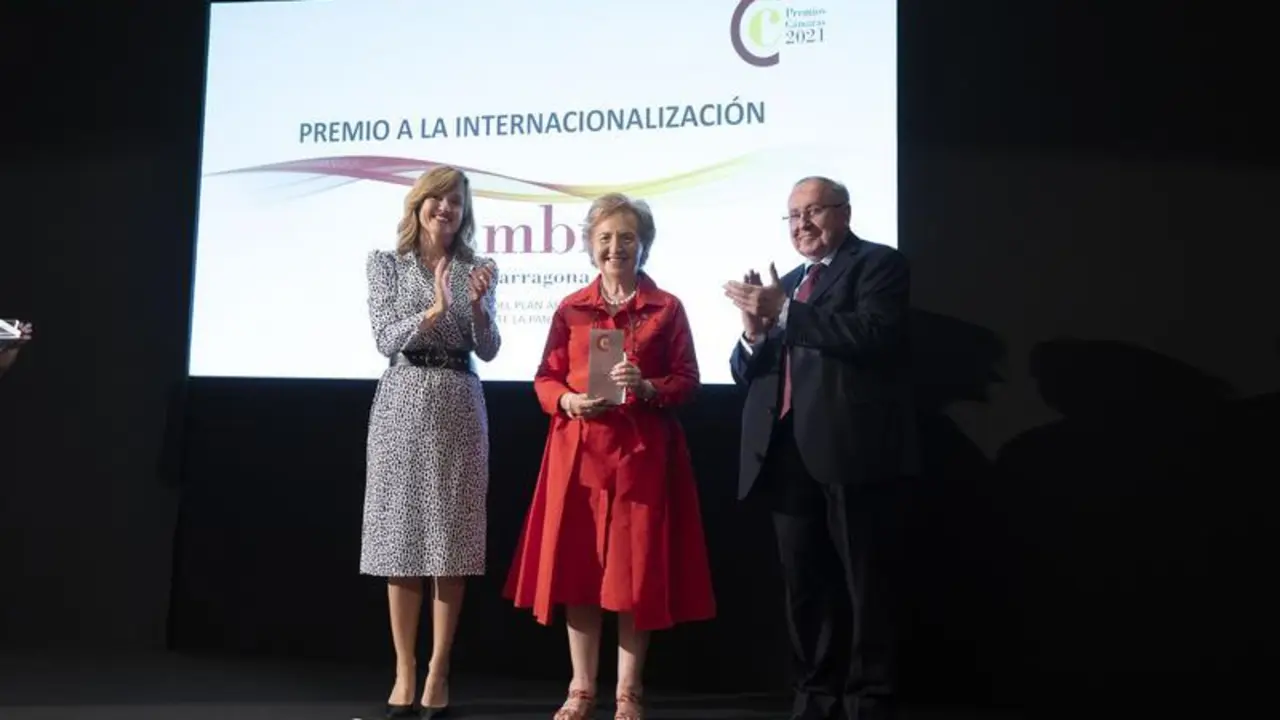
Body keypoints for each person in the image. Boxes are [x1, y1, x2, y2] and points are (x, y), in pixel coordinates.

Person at [504, 193, 716, 720]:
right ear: (590, 245)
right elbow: (545, 378)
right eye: (605, 238)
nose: (615, 247)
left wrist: (647, 387)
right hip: (579, 454)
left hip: (642, 456)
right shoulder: (570, 308)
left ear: (644, 245)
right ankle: (580, 689)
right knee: (579, 570)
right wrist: (568, 401)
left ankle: (628, 692)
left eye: (626, 237)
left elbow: (688, 381)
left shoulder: (667, 308)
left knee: (635, 574)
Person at [723, 177, 916, 720]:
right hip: (785, 454)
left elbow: (874, 334)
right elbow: (747, 374)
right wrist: (754, 333)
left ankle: (868, 700)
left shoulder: (878, 265)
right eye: (793, 215)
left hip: (851, 452)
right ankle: (814, 697)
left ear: (844, 213)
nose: (801, 224)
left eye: (813, 211)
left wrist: (785, 313)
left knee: (864, 584)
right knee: (804, 586)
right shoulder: (786, 285)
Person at [361, 165, 500, 719]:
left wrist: (476, 307)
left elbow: (488, 348)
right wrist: (432, 312)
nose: (446, 208)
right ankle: (404, 670)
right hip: (402, 400)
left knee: (451, 541)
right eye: (437, 198)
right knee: (401, 538)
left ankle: (439, 671)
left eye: (456, 201)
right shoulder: (386, 264)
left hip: (459, 402)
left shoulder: (479, 268)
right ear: (419, 204)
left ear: (465, 212)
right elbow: (383, 337)